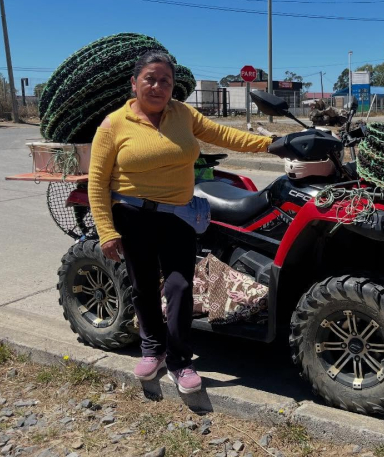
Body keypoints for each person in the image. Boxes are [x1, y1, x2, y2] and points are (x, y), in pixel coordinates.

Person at [87, 51, 272, 393]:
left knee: (180, 287)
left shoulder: (183, 114)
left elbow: (223, 135)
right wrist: (106, 231)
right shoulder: (114, 124)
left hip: (179, 215)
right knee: (144, 286)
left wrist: (272, 144)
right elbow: (97, 182)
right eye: (150, 79)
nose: (158, 87)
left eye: (165, 81)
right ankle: (152, 350)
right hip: (133, 215)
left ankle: (180, 360)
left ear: (173, 87)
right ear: (134, 83)